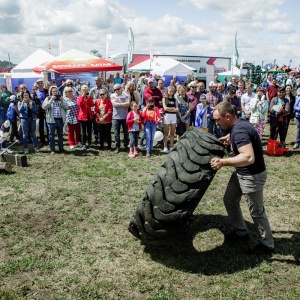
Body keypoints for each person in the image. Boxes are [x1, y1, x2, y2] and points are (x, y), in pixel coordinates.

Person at [210, 101, 274, 255]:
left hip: (252, 176)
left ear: (227, 116)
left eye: (218, 120)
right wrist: (229, 137)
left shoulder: (239, 131)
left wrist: (223, 162)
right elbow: (239, 134)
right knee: (230, 200)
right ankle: (241, 232)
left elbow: (248, 157)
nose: (216, 123)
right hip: (242, 173)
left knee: (257, 212)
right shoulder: (239, 125)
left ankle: (267, 245)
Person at [42, 86, 69, 154]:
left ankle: (61, 148)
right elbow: (44, 107)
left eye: (56, 91)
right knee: (51, 135)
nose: (55, 92)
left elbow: (67, 106)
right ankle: (52, 149)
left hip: (60, 119)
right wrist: (51, 100)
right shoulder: (48, 98)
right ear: (51, 92)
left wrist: (62, 100)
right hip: (51, 120)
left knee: (60, 135)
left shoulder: (61, 98)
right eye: (53, 91)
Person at [111, 83, 130, 153]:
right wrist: (123, 104)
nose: (116, 91)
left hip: (125, 117)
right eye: (115, 89)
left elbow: (127, 105)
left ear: (121, 88)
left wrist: (118, 104)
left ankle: (126, 145)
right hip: (116, 117)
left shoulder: (126, 95)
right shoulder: (112, 95)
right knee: (116, 133)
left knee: (126, 132)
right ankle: (117, 147)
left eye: (118, 89)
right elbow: (114, 105)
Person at [77, 84, 95, 150]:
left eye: (86, 90)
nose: (85, 92)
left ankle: (90, 143)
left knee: (89, 131)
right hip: (82, 117)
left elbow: (92, 104)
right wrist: (82, 96)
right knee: (83, 131)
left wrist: (89, 98)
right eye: (83, 90)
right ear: (81, 91)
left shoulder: (89, 97)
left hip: (89, 116)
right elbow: (79, 104)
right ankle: (83, 143)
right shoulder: (79, 97)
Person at [32, 78, 49, 146]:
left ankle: (49, 139)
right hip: (39, 111)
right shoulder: (35, 92)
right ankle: (42, 141)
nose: (40, 84)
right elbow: (34, 102)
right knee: (41, 126)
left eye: (41, 83)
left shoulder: (46, 91)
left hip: (47, 109)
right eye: (39, 83)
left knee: (48, 125)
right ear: (37, 85)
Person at [162, 86, 179, 153]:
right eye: (170, 91)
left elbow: (177, 109)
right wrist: (173, 109)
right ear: (167, 91)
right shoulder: (164, 98)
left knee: (172, 133)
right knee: (166, 133)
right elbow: (165, 108)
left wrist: (171, 109)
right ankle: (165, 146)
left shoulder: (175, 100)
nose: (171, 93)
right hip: (167, 116)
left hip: (173, 117)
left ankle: (171, 146)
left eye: (172, 91)